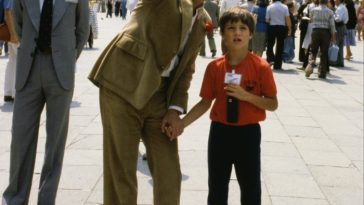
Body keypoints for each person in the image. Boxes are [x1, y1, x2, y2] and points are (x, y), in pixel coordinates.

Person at [88, 0, 211, 204]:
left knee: (169, 174)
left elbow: (186, 70)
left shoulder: (204, 19)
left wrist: (174, 109)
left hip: (160, 96)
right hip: (123, 84)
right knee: (121, 174)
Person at [176, 7, 278, 205]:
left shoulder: (261, 67)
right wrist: (182, 123)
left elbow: (272, 104)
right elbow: (205, 102)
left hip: (248, 134)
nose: (237, 33)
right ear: (222, 34)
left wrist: (246, 96)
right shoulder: (215, 67)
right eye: (231, 28)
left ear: (250, 34)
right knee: (217, 187)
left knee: (250, 189)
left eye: (243, 28)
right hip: (220, 134)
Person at [2, 0, 89, 204]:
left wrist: (67, 57)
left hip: (60, 72)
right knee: (21, 138)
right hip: (29, 70)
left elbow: (82, 29)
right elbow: (19, 23)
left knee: (55, 145)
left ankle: (46, 199)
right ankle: (15, 198)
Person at [305, 0, 336, 78]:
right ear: (326, 2)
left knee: (313, 51)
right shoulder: (330, 12)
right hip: (325, 33)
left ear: (319, 2)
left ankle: (310, 67)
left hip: (315, 31)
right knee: (324, 53)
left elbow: (311, 20)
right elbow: (332, 25)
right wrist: (333, 36)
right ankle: (322, 73)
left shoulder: (313, 10)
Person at [265, 0, 292, 70]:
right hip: (281, 27)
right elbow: (287, 19)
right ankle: (277, 65)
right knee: (280, 46)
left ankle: (270, 59)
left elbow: (267, 19)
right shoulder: (284, 7)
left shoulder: (269, 7)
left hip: (272, 27)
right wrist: (289, 29)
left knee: (270, 44)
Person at [0, 0, 18, 102]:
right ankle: (15, 93)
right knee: (20, 62)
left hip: (12, 31)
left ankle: (8, 92)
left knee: (12, 61)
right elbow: (8, 11)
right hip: (15, 32)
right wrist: (13, 33)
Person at [330, 0, 349, 67]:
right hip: (342, 26)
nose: (334, 1)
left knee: (336, 44)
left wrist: (333, 15)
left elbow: (338, 19)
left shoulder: (340, 8)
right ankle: (340, 62)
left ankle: (334, 62)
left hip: (339, 27)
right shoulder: (343, 7)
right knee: (340, 45)